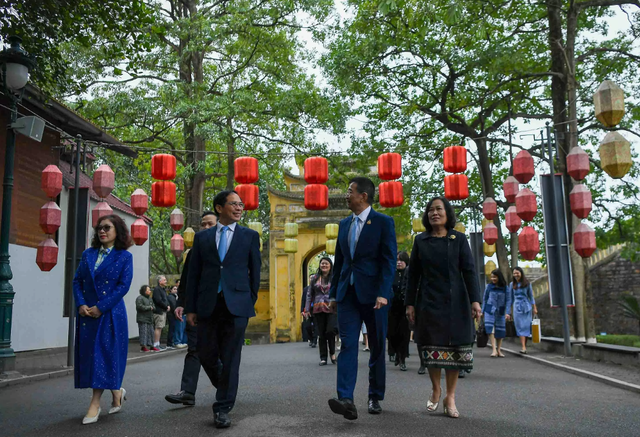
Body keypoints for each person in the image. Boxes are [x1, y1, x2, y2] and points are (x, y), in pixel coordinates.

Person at [186, 191, 261, 428]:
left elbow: (255, 272)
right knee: (206, 353)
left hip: (237, 305)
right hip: (208, 304)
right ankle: (228, 385)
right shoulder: (203, 238)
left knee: (231, 357)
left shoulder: (250, 236)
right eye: (234, 204)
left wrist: (249, 299)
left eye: (241, 204)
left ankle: (222, 407)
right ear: (220, 208)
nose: (239, 208)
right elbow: (193, 275)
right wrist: (190, 307)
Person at [406, 197, 482, 419]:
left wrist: (475, 300)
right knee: (431, 346)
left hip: (456, 301)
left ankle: (450, 395)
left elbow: (469, 270)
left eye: (439, 209)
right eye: (430, 210)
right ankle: (435, 389)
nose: (434, 213)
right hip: (428, 301)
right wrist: (410, 303)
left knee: (455, 349)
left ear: (448, 213)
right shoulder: (420, 240)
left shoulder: (457, 239)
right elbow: (413, 275)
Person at [327, 177, 397, 420]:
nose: (346, 195)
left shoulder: (383, 222)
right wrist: (334, 292)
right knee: (347, 344)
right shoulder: (344, 224)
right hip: (348, 294)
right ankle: (346, 398)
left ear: (363, 196)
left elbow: (389, 261)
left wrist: (383, 292)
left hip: (375, 296)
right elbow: (341, 262)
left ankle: (375, 395)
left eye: (350, 191)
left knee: (377, 345)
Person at [72, 214, 133, 425]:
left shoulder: (124, 257)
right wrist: (81, 304)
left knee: (103, 354)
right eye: (99, 228)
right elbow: (77, 281)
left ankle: (95, 403)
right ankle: (117, 391)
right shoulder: (88, 254)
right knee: (94, 356)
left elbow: (123, 287)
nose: (101, 231)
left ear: (118, 231)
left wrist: (101, 307)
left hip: (110, 314)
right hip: (87, 314)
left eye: (107, 227)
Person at [165, 211, 217, 407]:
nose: (205, 228)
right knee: (194, 349)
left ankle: (225, 387)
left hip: (219, 309)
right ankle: (187, 391)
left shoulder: (225, 247)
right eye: (202, 224)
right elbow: (187, 280)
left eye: (209, 224)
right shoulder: (194, 251)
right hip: (196, 310)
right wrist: (181, 304)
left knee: (214, 352)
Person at [304, 257, 336, 365]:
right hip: (318, 309)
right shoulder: (314, 278)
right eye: (322, 263)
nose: (324, 265)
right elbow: (309, 295)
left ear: (330, 265)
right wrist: (307, 309)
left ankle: (332, 353)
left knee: (330, 331)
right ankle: (323, 357)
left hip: (331, 308)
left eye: (326, 264)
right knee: (321, 334)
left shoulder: (334, 278)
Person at [388, 251, 411, 371]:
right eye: (397, 260)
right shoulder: (391, 273)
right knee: (392, 332)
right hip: (392, 307)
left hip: (405, 307)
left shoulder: (410, 273)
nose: (399, 262)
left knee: (404, 333)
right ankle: (394, 352)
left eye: (401, 260)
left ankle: (402, 358)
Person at [507, 267, 537, 354]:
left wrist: (534, 307)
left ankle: (525, 345)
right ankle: (523, 346)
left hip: (526, 307)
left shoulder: (527, 284)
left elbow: (531, 296)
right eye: (514, 273)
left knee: (526, 326)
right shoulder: (511, 285)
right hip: (517, 308)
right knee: (519, 326)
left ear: (521, 273)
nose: (516, 275)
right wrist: (508, 312)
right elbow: (510, 299)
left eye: (517, 273)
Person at [482, 269, 510, 358]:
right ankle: (494, 349)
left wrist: (507, 313)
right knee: (491, 329)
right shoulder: (489, 287)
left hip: (500, 311)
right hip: (489, 310)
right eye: (492, 277)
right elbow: (485, 299)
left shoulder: (506, 288)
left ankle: (499, 350)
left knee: (500, 330)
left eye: (494, 277)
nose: (492, 278)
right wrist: (482, 311)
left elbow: (508, 300)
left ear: (499, 277)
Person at [152, 275, 170, 351]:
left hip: (163, 311)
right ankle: (155, 344)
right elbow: (158, 300)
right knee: (158, 327)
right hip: (159, 311)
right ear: (160, 281)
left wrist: (168, 305)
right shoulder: (157, 289)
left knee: (161, 327)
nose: (166, 281)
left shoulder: (163, 289)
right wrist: (166, 306)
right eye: (164, 280)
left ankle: (158, 343)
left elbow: (165, 299)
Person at [136, 285, 155, 352]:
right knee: (143, 332)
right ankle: (143, 347)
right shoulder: (140, 298)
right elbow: (139, 307)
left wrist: (152, 308)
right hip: (142, 318)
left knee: (151, 332)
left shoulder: (150, 298)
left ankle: (151, 345)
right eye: (148, 290)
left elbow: (153, 306)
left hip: (149, 318)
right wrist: (149, 307)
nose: (150, 291)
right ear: (144, 291)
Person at [301, 276, 317, 348]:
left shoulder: (318, 288)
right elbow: (303, 300)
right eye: (310, 278)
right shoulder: (305, 289)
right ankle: (310, 338)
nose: (311, 279)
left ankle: (314, 341)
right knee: (307, 326)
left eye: (313, 278)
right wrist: (302, 310)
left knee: (316, 326)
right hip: (307, 310)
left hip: (316, 309)